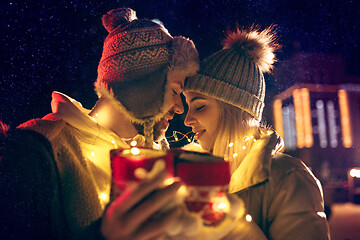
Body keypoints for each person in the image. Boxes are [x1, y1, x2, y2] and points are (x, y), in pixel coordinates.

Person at [0, 8, 199, 240]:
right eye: (174, 91)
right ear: (140, 84)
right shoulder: (36, 154)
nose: (179, 108)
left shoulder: (156, 155)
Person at [183, 26, 330, 239]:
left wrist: (233, 224)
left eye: (200, 106)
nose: (187, 120)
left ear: (235, 108)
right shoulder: (190, 176)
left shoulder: (289, 178)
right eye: (188, 107)